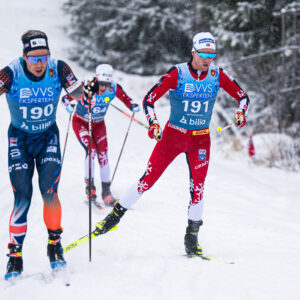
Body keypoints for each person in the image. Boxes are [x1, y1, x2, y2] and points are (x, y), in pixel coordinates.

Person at [92, 32, 250, 257]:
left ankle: (191, 238)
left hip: (200, 140)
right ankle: (113, 218)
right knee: (147, 180)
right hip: (173, 137)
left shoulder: (217, 74)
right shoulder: (179, 73)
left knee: (198, 188)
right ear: (193, 52)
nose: (207, 60)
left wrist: (241, 112)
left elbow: (243, 97)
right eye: (203, 54)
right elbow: (149, 99)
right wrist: (153, 122)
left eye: (211, 55)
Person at [0, 30, 83, 279]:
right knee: (22, 196)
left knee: (50, 192)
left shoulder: (58, 68)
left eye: (44, 57)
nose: (39, 63)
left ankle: (54, 247)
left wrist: (80, 91)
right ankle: (15, 257)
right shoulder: (11, 72)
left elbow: (77, 93)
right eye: (34, 58)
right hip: (20, 140)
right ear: (24, 56)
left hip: (48, 137)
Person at [62, 64, 140, 207]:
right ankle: (90, 189)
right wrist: (68, 106)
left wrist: (132, 105)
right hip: (81, 122)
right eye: (101, 84)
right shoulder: (86, 85)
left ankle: (106, 192)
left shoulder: (114, 88)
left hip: (98, 124)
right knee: (91, 151)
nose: (103, 88)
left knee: (103, 155)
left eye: (106, 84)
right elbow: (65, 99)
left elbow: (127, 100)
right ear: (96, 79)